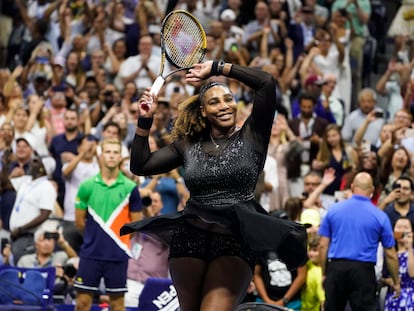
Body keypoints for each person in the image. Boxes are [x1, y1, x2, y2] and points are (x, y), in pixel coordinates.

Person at [122, 60, 308, 311]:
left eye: (228, 99)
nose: (224, 106)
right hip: (189, 240)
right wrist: (145, 120)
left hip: (232, 242)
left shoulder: (253, 135)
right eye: (214, 102)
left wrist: (218, 67)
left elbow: (266, 83)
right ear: (203, 111)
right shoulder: (188, 144)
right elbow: (141, 165)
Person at [74, 138, 143, 311]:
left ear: (121, 157)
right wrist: (94, 238)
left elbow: (135, 225)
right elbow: (79, 223)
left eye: (115, 152)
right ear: (101, 156)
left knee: (117, 305)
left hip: (117, 255)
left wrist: (118, 240)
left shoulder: (130, 188)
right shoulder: (86, 186)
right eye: (108, 152)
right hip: (90, 254)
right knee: (82, 303)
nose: (111, 156)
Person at [318, 172, 401, 311]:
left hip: (336, 268)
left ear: (352, 187)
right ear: (372, 191)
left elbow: (322, 245)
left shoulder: (333, 211)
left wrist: (324, 273)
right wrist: (396, 281)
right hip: (363, 271)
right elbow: (391, 254)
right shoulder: (380, 216)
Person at [382, 216, 414, 310]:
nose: (402, 230)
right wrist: (390, 281)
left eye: (406, 228)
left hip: (410, 298)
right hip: (393, 297)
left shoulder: (412, 252)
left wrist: (409, 249)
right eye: (399, 227)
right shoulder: (389, 254)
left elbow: (412, 273)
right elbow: (383, 276)